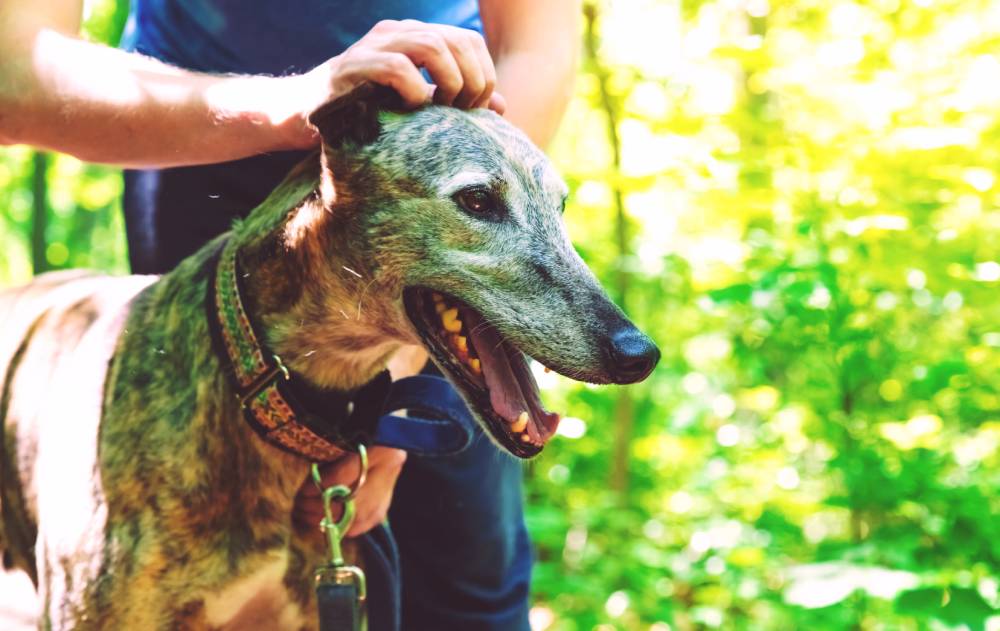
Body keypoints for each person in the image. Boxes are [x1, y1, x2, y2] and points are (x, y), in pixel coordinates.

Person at [0, 1, 579, 628]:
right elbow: (15, 73)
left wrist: (404, 367)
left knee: (460, 600)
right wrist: (295, 103)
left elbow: (535, 43)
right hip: (194, 147)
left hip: (447, 194)